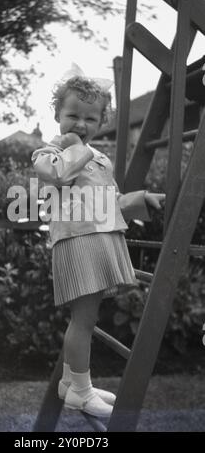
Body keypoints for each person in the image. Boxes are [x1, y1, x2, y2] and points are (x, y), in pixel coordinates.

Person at [31, 75, 165, 418]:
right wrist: (76, 144)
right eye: (73, 115)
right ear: (58, 116)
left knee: (87, 318)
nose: (81, 123)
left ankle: (70, 383)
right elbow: (60, 175)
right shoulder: (47, 154)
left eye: (91, 118)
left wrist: (140, 199)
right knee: (83, 320)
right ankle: (81, 391)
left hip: (98, 239)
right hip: (77, 242)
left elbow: (111, 201)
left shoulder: (99, 160)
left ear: (101, 123)